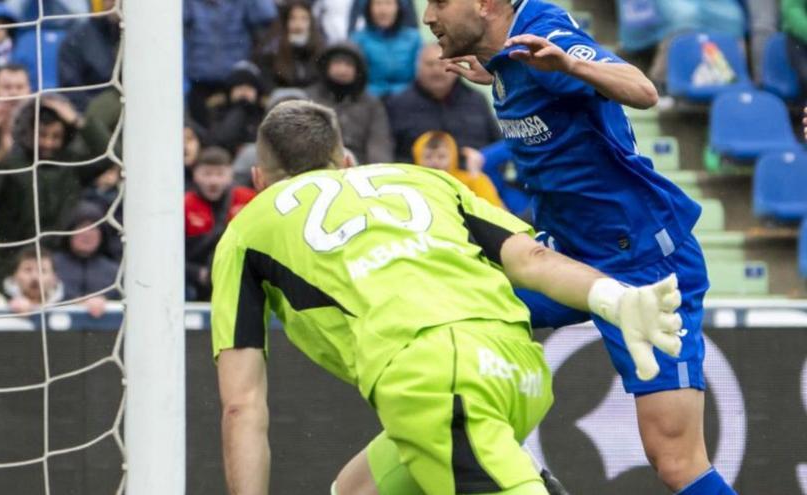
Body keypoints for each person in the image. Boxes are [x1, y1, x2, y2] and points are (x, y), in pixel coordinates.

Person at [212, 100, 684, 494]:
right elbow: (532, 259)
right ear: (348, 160)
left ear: (258, 180)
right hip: (518, 372)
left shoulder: (247, 230)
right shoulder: (424, 179)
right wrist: (614, 298)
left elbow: (242, 404)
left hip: (436, 384)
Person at [375, 1, 722, 494]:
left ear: (485, 3)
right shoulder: (504, 59)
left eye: (440, 1)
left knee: (676, 461)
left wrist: (570, 64)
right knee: (459, 310)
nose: (428, 16)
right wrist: (494, 69)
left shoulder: (546, 36)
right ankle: (499, 466)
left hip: (645, 262)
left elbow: (642, 90)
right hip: (566, 254)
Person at [0, 94, 111, 287]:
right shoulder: (11, 163)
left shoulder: (73, 164)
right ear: (28, 132)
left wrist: (78, 121)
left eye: (55, 137)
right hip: (12, 268)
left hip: (63, 268)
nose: (48, 143)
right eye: (42, 135)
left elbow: (112, 155)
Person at [386, 42, 501, 161]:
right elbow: (389, 152)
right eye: (429, 64)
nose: (436, 70)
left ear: (456, 67)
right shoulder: (399, 104)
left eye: (442, 64)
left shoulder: (476, 100)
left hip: (473, 175)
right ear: (417, 67)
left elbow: (498, 144)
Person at [185, 147, 254, 301]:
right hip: (197, 282)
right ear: (195, 174)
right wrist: (197, 273)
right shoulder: (184, 205)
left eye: (220, 174)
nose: (213, 181)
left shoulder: (248, 200)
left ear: (231, 174)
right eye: (207, 174)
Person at [306, 42, 393, 164]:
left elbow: (379, 144)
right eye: (337, 63)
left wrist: (378, 171)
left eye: (348, 65)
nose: (342, 70)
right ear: (326, 67)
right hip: (319, 165)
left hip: (361, 169)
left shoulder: (371, 104)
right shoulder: (309, 99)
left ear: (358, 71)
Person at [53, 201, 119, 318]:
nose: (87, 234)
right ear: (70, 231)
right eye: (82, 227)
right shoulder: (50, 266)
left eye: (94, 228)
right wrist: (78, 302)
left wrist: (103, 301)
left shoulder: (115, 272)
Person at [351, 0, 422, 98]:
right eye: (378, 4)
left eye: (388, 3)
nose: (383, 10)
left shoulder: (414, 39)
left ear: (399, 7)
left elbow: (420, 77)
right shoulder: (358, 39)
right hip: (370, 101)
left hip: (407, 100)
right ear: (369, 8)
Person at [412, 130, 503, 207]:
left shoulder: (472, 180)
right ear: (417, 157)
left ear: (453, 157)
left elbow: (495, 211)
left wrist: (475, 177)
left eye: (441, 156)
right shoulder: (412, 182)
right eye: (428, 157)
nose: (435, 162)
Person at [57, 0, 121, 109]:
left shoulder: (147, 39)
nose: (115, 3)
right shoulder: (78, 40)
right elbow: (72, 92)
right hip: (94, 117)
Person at [253, 0, 324, 90]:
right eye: (293, 18)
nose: (298, 24)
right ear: (285, 22)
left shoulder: (320, 52)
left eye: (304, 19)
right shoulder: (271, 52)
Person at [0, 246, 64, 313]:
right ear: (14, 275)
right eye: (28, 270)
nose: (35, 277)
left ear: (54, 278)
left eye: (42, 270)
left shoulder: (67, 307)